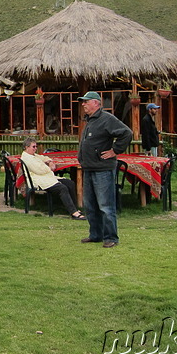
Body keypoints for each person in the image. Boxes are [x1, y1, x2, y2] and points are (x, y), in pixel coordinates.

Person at [77, 91, 132, 248]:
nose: (83, 104)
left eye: (86, 101)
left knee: (105, 206)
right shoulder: (90, 121)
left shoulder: (107, 119)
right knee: (90, 205)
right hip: (89, 168)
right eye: (83, 102)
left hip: (102, 169)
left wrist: (115, 150)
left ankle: (111, 237)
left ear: (96, 103)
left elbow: (126, 133)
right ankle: (95, 235)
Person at [19, 137, 86, 220]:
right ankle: (73, 213)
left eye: (36, 146)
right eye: (33, 147)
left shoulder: (32, 155)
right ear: (26, 147)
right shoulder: (27, 158)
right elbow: (40, 170)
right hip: (39, 181)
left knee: (70, 183)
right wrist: (50, 168)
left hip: (47, 177)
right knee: (62, 188)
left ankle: (74, 208)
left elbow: (43, 157)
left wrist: (50, 161)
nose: (35, 148)